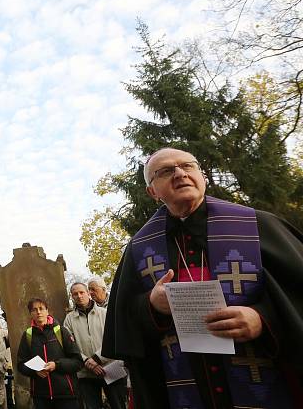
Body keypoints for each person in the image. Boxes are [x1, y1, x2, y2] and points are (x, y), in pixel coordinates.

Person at [103, 147, 303, 408]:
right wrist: (151, 305)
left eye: (188, 166)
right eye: (165, 171)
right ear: (153, 191)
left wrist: (262, 319)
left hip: (266, 378)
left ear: (202, 177)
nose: (179, 174)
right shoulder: (140, 247)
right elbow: (123, 324)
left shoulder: (257, 226)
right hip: (184, 390)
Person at [63, 283, 126, 409]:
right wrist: (87, 361)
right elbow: (69, 345)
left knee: (118, 405)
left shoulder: (105, 313)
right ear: (72, 297)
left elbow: (113, 338)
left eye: (82, 292)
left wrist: (96, 359)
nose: (79, 296)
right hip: (86, 373)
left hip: (110, 368)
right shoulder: (69, 319)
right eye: (75, 294)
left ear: (88, 293)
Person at [17, 298, 82, 409]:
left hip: (66, 395)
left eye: (41, 308)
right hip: (41, 397)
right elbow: (21, 365)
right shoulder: (27, 335)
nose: (38, 312)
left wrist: (56, 365)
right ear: (30, 314)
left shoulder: (61, 331)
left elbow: (77, 362)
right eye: (34, 310)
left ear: (47, 311)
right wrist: (35, 371)